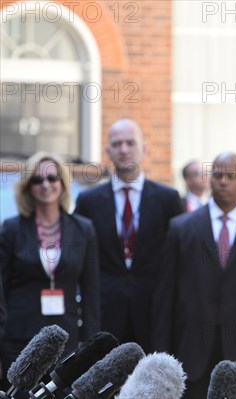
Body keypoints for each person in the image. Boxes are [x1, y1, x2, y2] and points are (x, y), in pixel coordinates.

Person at [154, 152, 236, 399]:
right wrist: (162, 358)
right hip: (190, 359)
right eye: (217, 175)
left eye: (231, 176)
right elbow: (165, 298)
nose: (223, 181)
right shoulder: (181, 228)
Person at [74, 119, 183, 353]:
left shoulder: (168, 199)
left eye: (130, 143)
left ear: (144, 148)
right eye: (117, 144)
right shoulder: (88, 201)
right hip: (105, 315)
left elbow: (178, 260)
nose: (124, 149)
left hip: (153, 314)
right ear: (107, 151)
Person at [0, 152, 100, 390]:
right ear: (28, 187)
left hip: (66, 342)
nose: (46, 185)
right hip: (19, 340)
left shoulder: (83, 228)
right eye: (37, 180)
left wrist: (89, 346)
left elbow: (91, 293)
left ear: (63, 184)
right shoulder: (12, 229)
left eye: (52, 178)